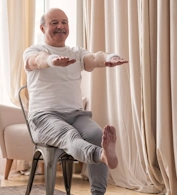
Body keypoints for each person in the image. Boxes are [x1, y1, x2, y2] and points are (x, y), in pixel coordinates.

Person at [22, 8, 128, 195]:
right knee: (69, 136)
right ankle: (100, 155)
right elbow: (37, 61)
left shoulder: (75, 52)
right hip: (44, 117)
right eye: (54, 23)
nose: (60, 26)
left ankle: (98, 192)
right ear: (42, 27)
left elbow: (93, 58)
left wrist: (108, 58)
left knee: (96, 135)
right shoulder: (35, 50)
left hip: (76, 114)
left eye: (64, 22)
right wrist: (53, 60)